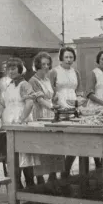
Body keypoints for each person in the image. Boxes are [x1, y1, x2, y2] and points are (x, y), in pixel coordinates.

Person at [0, 57, 39, 188]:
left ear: (19, 69)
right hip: (9, 123)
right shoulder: (9, 85)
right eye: (8, 69)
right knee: (12, 155)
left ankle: (30, 184)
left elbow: (29, 103)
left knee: (25, 154)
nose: (11, 71)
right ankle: (17, 184)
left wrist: (21, 120)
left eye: (13, 68)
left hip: (20, 122)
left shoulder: (24, 84)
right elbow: (3, 104)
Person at [29, 52, 65, 186]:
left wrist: (55, 100)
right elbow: (39, 99)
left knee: (55, 145)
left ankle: (53, 175)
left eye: (48, 64)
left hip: (50, 113)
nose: (46, 67)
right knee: (42, 146)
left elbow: (51, 95)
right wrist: (52, 107)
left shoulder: (47, 79)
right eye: (43, 64)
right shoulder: (33, 81)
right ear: (38, 65)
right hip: (40, 114)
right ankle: (39, 178)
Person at [49, 47, 85, 178]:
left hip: (73, 106)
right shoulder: (54, 72)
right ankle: (53, 173)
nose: (69, 60)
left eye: (71, 57)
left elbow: (79, 90)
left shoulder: (76, 72)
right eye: (66, 57)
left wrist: (80, 100)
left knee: (75, 141)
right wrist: (55, 103)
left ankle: (66, 169)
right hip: (58, 107)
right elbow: (50, 90)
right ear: (61, 58)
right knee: (57, 141)